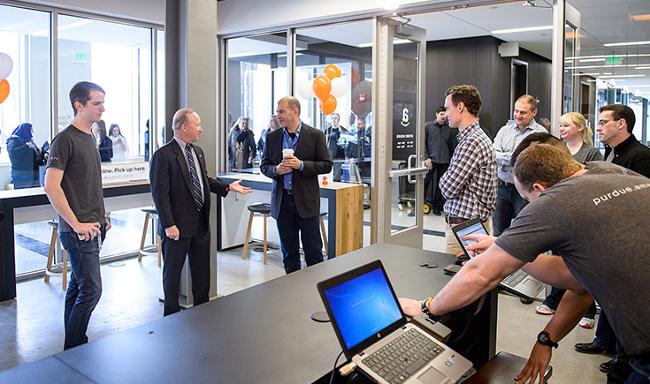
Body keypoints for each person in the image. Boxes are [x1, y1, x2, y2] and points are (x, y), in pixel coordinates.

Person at [400, 143, 650, 384]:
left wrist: (427, 307)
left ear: (540, 188)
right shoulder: (609, 171)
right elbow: (578, 280)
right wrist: (509, 250)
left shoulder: (556, 200)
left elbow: (480, 274)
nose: (530, 205)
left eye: (528, 198)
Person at [574, 104, 650, 381]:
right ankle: (603, 342)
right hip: (610, 238)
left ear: (622, 124)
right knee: (607, 297)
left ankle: (625, 357)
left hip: (630, 242)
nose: (599, 127)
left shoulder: (640, 157)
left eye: (604, 122)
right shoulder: (612, 153)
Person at [150, 108, 251, 316]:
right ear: (184, 127)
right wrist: (169, 225)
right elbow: (160, 194)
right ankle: (170, 316)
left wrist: (228, 187)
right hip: (176, 227)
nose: (201, 129)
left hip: (200, 224)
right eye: (197, 125)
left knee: (202, 274)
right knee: (172, 275)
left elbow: (204, 181)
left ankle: (202, 314)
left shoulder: (198, 152)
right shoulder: (163, 155)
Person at [43, 81, 111, 350]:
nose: (102, 108)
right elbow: (50, 185)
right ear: (79, 104)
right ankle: (75, 345)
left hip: (93, 226)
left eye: (103, 103)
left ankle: (71, 347)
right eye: (97, 103)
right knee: (92, 290)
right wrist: (76, 223)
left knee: (77, 287)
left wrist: (101, 215)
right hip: (78, 231)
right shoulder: (65, 139)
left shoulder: (90, 137)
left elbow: (87, 184)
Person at [536, 112, 602, 328]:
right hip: (560, 210)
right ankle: (554, 300)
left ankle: (588, 310)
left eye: (566, 125)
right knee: (558, 259)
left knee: (580, 262)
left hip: (582, 211)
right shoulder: (559, 150)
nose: (561, 129)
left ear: (580, 128)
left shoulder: (591, 152)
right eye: (560, 125)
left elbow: (594, 181)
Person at [260, 96, 332, 274]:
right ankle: (293, 296)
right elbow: (264, 166)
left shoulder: (315, 135)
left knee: (314, 253)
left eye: (281, 111)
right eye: (277, 112)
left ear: (295, 111)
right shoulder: (272, 138)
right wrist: (276, 170)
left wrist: (300, 165)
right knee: (289, 255)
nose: (278, 115)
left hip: (306, 203)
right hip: (283, 203)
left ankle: (315, 295)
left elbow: (326, 165)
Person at [439, 85, 497, 255]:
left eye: (447, 108)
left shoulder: (471, 142)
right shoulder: (474, 138)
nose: (446, 114)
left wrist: (446, 178)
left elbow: (447, 188)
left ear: (460, 107)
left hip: (465, 230)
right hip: (470, 226)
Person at [492, 95, 547, 236]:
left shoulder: (540, 134)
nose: (518, 115)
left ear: (534, 112)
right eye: (516, 111)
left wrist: (506, 156)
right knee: (498, 232)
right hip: (502, 187)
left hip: (525, 189)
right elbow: (494, 154)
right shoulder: (504, 130)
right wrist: (515, 156)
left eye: (522, 112)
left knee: (523, 233)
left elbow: (530, 161)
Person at [424, 106, 457, 216]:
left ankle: (437, 207)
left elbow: (452, 145)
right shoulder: (428, 127)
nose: (444, 116)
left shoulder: (450, 128)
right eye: (441, 114)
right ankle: (419, 205)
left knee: (441, 184)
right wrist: (426, 158)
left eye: (445, 114)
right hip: (431, 161)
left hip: (444, 160)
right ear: (436, 114)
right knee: (425, 183)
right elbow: (422, 143)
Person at [6, 123, 43, 189]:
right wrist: (26, 146)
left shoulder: (29, 140)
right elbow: (13, 152)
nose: (31, 132)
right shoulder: (14, 140)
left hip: (33, 172)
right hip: (22, 173)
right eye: (30, 130)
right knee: (23, 196)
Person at [323, 112, 346, 181]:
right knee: (328, 176)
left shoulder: (342, 130)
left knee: (336, 176)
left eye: (336, 118)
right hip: (329, 155)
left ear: (339, 120)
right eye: (333, 118)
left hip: (339, 155)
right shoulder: (327, 130)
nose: (334, 120)